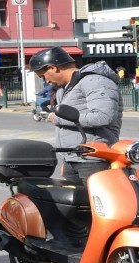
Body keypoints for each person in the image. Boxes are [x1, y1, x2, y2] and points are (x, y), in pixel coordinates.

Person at [30, 46, 122, 186]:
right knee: (76, 206)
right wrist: (67, 159)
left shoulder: (94, 81)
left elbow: (103, 116)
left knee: (99, 205)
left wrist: (57, 118)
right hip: (74, 158)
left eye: (43, 76)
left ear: (53, 68)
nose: (46, 82)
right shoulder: (65, 88)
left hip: (93, 159)